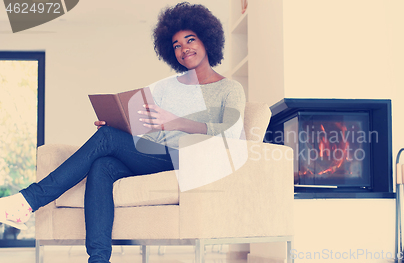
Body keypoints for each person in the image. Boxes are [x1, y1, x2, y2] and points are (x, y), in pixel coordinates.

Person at [0, 2, 245, 263]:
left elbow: (230, 136)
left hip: (189, 159)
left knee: (107, 141)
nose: (184, 49)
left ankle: (28, 200)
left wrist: (177, 122)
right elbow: (154, 131)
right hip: (157, 155)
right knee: (103, 165)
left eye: (190, 40)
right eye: (176, 45)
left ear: (207, 40)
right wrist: (122, 126)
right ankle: (98, 259)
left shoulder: (229, 89)